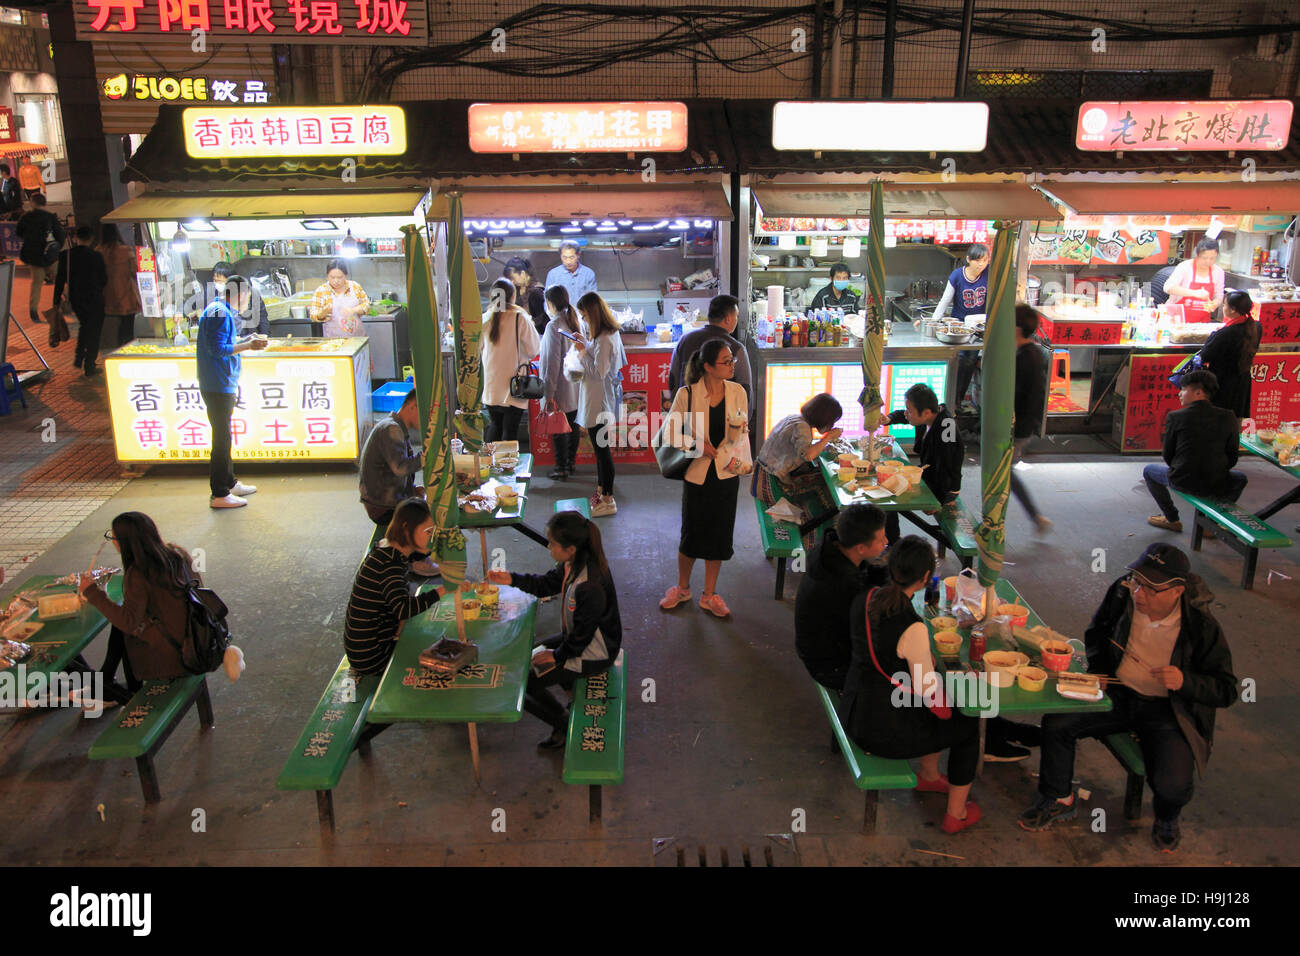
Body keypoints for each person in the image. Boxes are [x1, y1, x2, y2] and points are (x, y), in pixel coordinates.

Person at [1019, 544, 1236, 852]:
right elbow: (1097, 632)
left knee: (1173, 785)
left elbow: (1226, 689)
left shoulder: (1201, 626)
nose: (1139, 593)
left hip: (1167, 710)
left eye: (1151, 589)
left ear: (1177, 591)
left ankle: (1167, 816)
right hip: (1118, 692)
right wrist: (1102, 671)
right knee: (1057, 722)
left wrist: (1185, 681)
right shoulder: (1123, 593)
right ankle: (1058, 797)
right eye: (1137, 581)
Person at [840, 536, 983, 834]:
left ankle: (930, 775)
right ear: (925, 578)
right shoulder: (912, 626)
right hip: (880, 731)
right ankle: (956, 814)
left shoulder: (866, 597)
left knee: (935, 708)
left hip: (853, 708)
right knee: (967, 725)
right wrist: (964, 680)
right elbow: (929, 693)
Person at [487, 511, 622, 749]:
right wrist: (511, 579)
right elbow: (546, 585)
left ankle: (562, 723)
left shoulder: (589, 585)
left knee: (525, 682)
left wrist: (557, 655)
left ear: (570, 548)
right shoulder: (573, 562)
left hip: (594, 652)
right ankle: (564, 703)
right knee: (529, 658)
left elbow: (583, 637)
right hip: (577, 640)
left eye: (552, 543)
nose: (548, 546)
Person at [658, 338, 749, 618]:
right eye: (726, 361)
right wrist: (698, 446)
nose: (733, 365)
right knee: (692, 534)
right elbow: (668, 434)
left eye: (732, 360)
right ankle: (683, 588)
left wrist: (740, 455)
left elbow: (742, 431)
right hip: (698, 474)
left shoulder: (738, 392)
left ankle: (710, 594)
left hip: (726, 473)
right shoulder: (687, 394)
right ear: (708, 367)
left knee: (719, 537)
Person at [78, 512, 198, 706]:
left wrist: (91, 592)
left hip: (175, 658)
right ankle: (105, 682)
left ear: (125, 542)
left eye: (114, 537)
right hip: (195, 640)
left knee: (125, 625)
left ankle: (115, 690)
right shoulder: (177, 554)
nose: (113, 542)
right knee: (122, 623)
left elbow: (129, 621)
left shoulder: (139, 573)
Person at [344, 499, 445, 679]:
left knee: (426, 630)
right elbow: (404, 609)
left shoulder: (385, 549)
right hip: (373, 657)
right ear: (406, 528)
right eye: (429, 531)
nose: (433, 537)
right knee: (439, 654)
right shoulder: (390, 565)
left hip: (361, 647)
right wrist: (443, 590)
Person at [794, 503, 889, 690]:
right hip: (830, 667)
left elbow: (865, 574)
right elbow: (867, 631)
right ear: (861, 548)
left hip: (815, 647)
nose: (886, 542)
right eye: (881, 540)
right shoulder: (842, 584)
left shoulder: (829, 548)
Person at [1144, 370, 1246, 533]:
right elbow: (1233, 456)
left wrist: (1182, 467)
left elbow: (1168, 455)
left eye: (1183, 389)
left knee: (1149, 471)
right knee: (1240, 478)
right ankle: (1211, 523)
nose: (1180, 394)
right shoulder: (1229, 416)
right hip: (1217, 481)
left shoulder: (1176, 417)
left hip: (1183, 480)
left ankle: (1172, 519)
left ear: (1198, 393)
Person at [198, 275, 268, 509]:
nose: (249, 300)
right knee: (221, 438)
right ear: (240, 294)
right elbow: (218, 349)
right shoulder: (219, 313)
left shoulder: (219, 310)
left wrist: (247, 339)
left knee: (224, 435)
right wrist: (249, 345)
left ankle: (229, 482)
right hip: (216, 383)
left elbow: (225, 342)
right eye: (248, 295)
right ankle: (219, 493)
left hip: (220, 382)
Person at [356, 388, 440, 577]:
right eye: (425, 414)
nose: (427, 421)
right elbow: (400, 468)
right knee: (426, 513)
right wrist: (428, 456)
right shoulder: (392, 429)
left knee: (425, 499)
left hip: (382, 498)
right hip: (382, 506)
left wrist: (411, 490)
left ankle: (416, 554)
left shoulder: (393, 426)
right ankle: (415, 560)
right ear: (413, 406)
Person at [754, 392, 842, 542]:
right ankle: (819, 535)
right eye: (831, 421)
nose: (831, 426)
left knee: (820, 479)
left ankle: (819, 526)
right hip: (772, 485)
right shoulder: (803, 428)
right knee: (826, 490)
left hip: (761, 474)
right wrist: (828, 437)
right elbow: (808, 455)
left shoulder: (794, 418)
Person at [884, 382, 963, 542]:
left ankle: (892, 542)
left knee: (888, 493)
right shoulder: (929, 415)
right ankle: (892, 539)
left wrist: (936, 502)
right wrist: (888, 419)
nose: (906, 413)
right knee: (887, 483)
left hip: (944, 488)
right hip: (929, 474)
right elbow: (904, 415)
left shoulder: (947, 428)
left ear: (926, 412)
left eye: (909, 410)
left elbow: (946, 469)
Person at [573, 291, 627, 517]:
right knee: (600, 450)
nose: (584, 321)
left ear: (593, 314)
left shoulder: (604, 338)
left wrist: (582, 352)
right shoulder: (608, 334)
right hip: (601, 398)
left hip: (599, 401)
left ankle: (608, 497)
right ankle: (601, 489)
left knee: (602, 452)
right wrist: (586, 345)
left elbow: (599, 371)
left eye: (585, 317)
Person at [928, 243, 990, 411]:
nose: (981, 264)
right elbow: (945, 301)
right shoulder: (957, 276)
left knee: (969, 363)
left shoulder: (989, 273)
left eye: (984, 260)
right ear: (968, 259)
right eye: (978, 260)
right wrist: (934, 322)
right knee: (959, 362)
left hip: (980, 328)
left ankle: (957, 402)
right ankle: (950, 401)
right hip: (958, 327)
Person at [480, 277, 541, 445]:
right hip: (516, 385)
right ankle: (507, 468)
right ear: (512, 296)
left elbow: (477, 348)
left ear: (492, 296)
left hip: (492, 386)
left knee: (495, 426)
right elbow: (534, 349)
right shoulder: (520, 318)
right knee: (510, 430)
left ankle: (490, 466)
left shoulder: (485, 318)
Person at [668, 293, 752, 410]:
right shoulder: (736, 348)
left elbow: (673, 379)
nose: (736, 320)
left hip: (689, 414)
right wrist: (741, 421)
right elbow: (746, 390)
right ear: (728, 318)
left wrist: (677, 408)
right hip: (724, 418)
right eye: (736, 316)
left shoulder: (685, 340)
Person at [1011, 304, 1052, 532]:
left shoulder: (1026, 359)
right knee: (1004, 474)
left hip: (1018, 429)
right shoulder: (1031, 353)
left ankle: (1036, 517)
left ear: (1017, 329)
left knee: (1003, 475)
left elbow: (1020, 397)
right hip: (1023, 427)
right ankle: (1036, 517)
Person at [539, 284, 582, 480]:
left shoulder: (553, 326)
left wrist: (548, 392)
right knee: (572, 426)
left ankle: (561, 468)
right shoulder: (574, 321)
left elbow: (551, 363)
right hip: (575, 385)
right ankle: (571, 464)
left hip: (560, 386)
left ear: (550, 303)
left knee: (558, 427)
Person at [53, 226, 107, 376]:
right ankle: (89, 363)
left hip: (76, 299)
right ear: (91, 238)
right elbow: (104, 279)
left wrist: (56, 300)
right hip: (94, 298)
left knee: (84, 325)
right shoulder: (96, 256)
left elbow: (60, 279)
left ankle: (79, 357)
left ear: (76, 238)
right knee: (94, 331)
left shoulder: (66, 256)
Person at [1200, 290, 1261, 421]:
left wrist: (1213, 335)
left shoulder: (1226, 333)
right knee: (1235, 422)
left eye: (1224, 305)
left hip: (1223, 384)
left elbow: (1204, 355)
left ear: (1233, 310)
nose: (1223, 307)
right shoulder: (1256, 327)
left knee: (1219, 422)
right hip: (1242, 383)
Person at [16, 193, 64, 327]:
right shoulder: (50, 217)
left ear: (33, 203)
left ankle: (33, 310)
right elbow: (60, 235)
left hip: (34, 256)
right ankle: (71, 302)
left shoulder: (26, 217)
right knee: (60, 279)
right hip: (50, 255)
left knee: (36, 283)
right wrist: (56, 247)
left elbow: (18, 232)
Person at [1163, 238, 1225, 325]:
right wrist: (1194, 293)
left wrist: (1214, 304)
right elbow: (1168, 287)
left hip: (1201, 323)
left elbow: (1219, 296)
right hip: (1176, 319)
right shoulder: (1185, 267)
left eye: (1212, 258)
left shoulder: (1218, 272)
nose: (1208, 261)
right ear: (1197, 255)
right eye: (1204, 258)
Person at [99, 224, 142, 349]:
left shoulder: (98, 252)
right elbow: (135, 271)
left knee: (112, 327)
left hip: (107, 296)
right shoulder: (125, 251)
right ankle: (126, 349)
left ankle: (115, 349)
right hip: (126, 296)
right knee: (127, 327)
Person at [309, 260, 369, 337]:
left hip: (358, 338)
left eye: (340, 277)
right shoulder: (321, 291)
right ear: (327, 276)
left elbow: (366, 305)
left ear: (345, 275)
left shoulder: (355, 286)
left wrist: (353, 310)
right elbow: (313, 315)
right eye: (332, 277)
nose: (336, 281)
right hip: (333, 341)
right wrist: (323, 313)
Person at [212, 261, 269, 337]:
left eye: (219, 281)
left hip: (250, 337)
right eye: (215, 281)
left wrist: (264, 335)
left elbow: (262, 317)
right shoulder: (215, 296)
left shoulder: (250, 294)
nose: (216, 284)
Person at [544, 240, 597, 305]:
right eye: (564, 257)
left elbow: (593, 300)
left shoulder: (588, 274)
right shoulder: (553, 275)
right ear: (560, 256)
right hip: (561, 314)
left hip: (582, 313)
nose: (568, 261)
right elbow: (547, 300)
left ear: (578, 255)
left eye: (571, 257)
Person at [505, 256, 547, 336]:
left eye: (513, 278)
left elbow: (540, 322)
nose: (512, 281)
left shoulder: (536, 292)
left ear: (523, 274)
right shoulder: (516, 289)